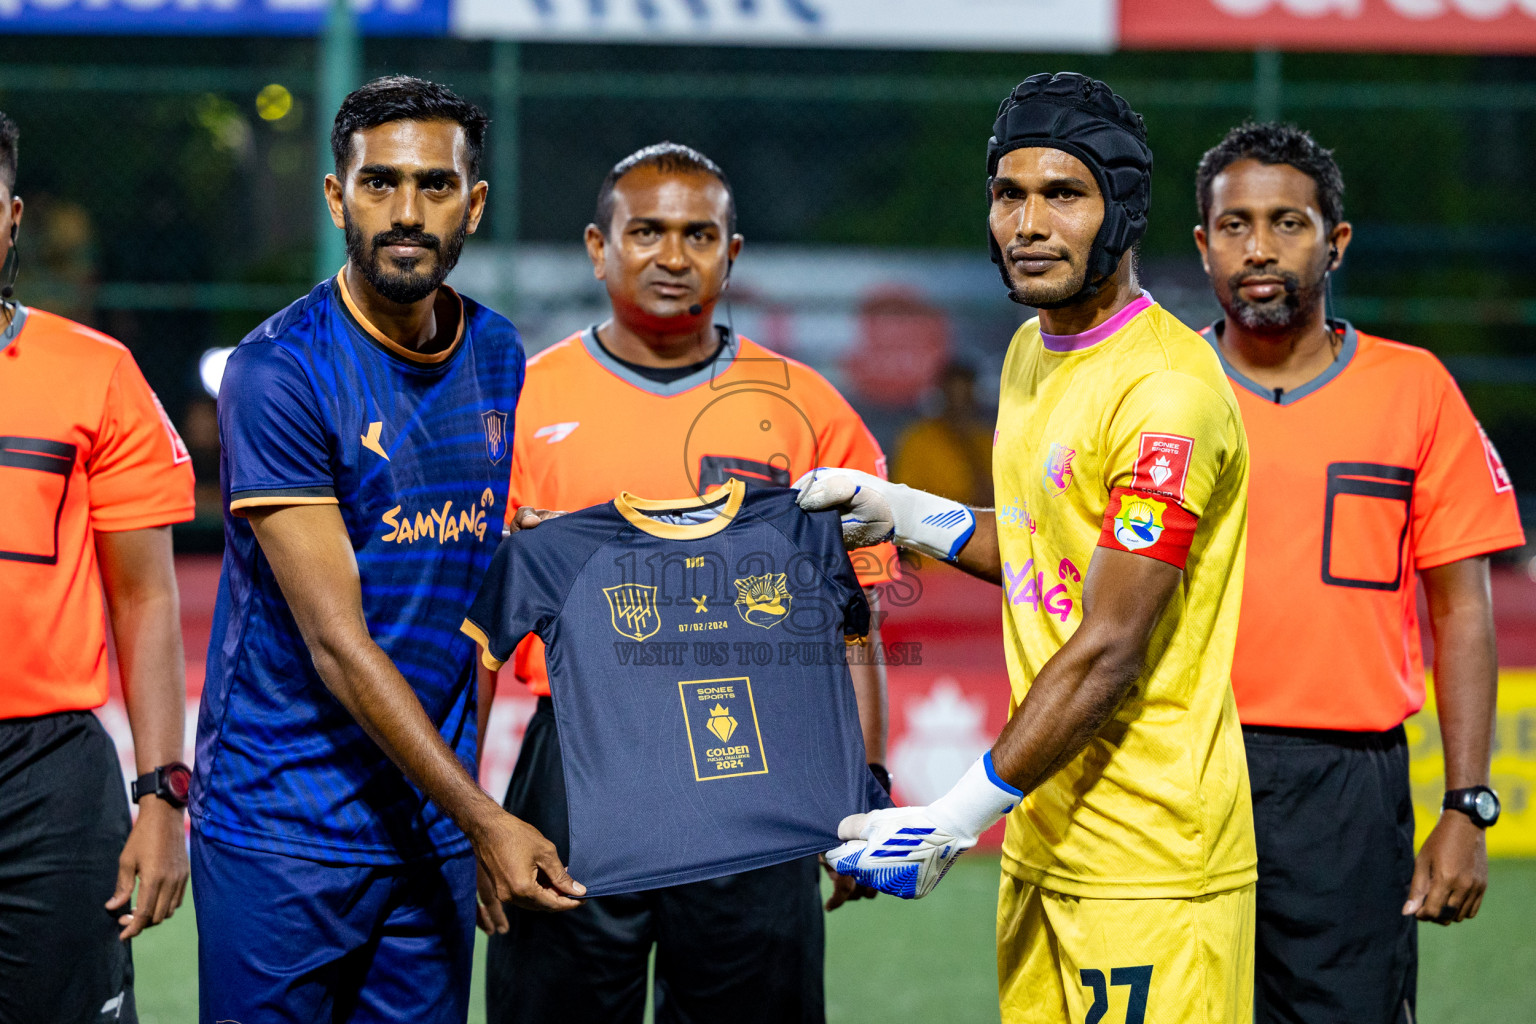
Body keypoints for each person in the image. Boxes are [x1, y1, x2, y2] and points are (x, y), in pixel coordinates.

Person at [800, 73, 1257, 1023]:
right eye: (1010, 194)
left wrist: (951, 817)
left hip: (1151, 865)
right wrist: (903, 511)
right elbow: (1053, 547)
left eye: (1064, 195)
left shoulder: (1167, 394)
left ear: (1121, 211)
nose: (1028, 223)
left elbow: (1109, 646)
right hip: (1045, 831)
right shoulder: (1028, 350)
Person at [190, 77, 581, 1024]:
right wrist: (486, 821)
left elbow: (477, 604)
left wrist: (463, 818)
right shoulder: (280, 371)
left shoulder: (495, 352)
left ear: (473, 205)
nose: (406, 214)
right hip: (283, 832)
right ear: (338, 197)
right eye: (379, 185)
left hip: (429, 834)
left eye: (435, 186)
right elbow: (336, 642)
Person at [480, 142, 898, 1024]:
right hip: (579, 766)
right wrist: (473, 812)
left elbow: (852, 624)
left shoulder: (814, 409)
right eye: (648, 232)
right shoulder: (518, 403)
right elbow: (475, 643)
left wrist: (863, 785)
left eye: (699, 234)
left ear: (732, 253)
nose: (674, 256)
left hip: (760, 761)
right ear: (599, 248)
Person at [1190, 122, 1525, 1024]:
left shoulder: (1415, 389)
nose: (1259, 247)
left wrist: (1467, 805)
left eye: (1288, 222)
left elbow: (1462, 609)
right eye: (1235, 225)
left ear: (1334, 242)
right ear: (1202, 243)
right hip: (1177, 769)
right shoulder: (1156, 387)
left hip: (1349, 792)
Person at [0, 108, 194, 1024]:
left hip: (49, 777)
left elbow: (146, 596)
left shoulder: (96, 371)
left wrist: (162, 793)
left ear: (12, 215)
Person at [891, 360, 994, 507]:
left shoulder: (987, 439)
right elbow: (904, 495)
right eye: (953, 396)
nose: (959, 405)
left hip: (981, 522)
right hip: (931, 523)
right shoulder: (918, 439)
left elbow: (998, 495)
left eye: (965, 397)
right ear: (942, 396)